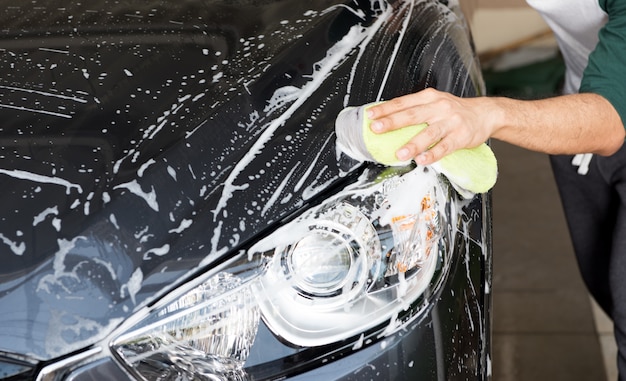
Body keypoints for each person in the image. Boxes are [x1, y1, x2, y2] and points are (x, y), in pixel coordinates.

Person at [366, 0, 626, 378]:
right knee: (604, 282)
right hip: (585, 109)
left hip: (602, 117)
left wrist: (490, 114)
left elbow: (609, 123)